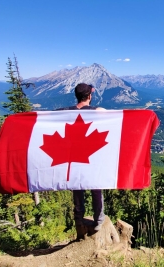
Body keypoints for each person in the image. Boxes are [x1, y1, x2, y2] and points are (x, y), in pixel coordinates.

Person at [56, 83, 105, 231]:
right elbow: (105, 112)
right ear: (89, 96)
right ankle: (98, 220)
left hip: (73, 157)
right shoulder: (95, 111)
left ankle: (79, 217)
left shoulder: (64, 112)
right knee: (96, 187)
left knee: (77, 187)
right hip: (91, 157)